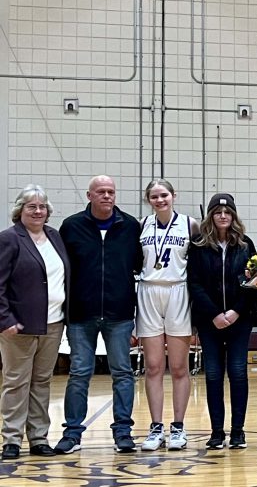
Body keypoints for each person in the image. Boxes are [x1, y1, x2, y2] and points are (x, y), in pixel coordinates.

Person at [55, 175, 142, 455]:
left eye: (111, 191)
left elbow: (138, 266)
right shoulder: (71, 226)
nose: (107, 196)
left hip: (119, 313)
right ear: (89, 195)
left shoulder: (130, 226)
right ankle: (72, 434)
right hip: (82, 313)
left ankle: (123, 433)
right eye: (101, 191)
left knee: (122, 373)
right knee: (79, 373)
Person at [0, 186, 69, 460]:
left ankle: (39, 438)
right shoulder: (9, 239)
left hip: (53, 323)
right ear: (20, 210)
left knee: (42, 382)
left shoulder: (54, 236)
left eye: (42, 207)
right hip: (18, 326)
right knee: (16, 382)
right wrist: (5, 318)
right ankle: (11, 440)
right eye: (32, 206)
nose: (38, 211)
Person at [187, 193, 257, 450]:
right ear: (211, 216)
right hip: (210, 321)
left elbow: (254, 282)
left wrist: (236, 311)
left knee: (238, 372)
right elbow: (194, 283)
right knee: (214, 374)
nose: (223, 216)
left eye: (227, 213)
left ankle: (238, 431)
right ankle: (217, 431)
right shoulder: (198, 244)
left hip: (240, 319)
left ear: (234, 216)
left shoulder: (245, 244)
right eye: (218, 212)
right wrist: (215, 314)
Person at [137, 180, 200, 452]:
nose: (159, 200)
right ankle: (155, 428)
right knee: (152, 366)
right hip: (149, 290)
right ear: (148, 199)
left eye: (164, 195)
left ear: (174, 196)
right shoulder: (140, 225)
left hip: (178, 291)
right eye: (154, 196)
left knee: (178, 367)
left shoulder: (191, 224)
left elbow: (198, 264)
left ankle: (178, 427)